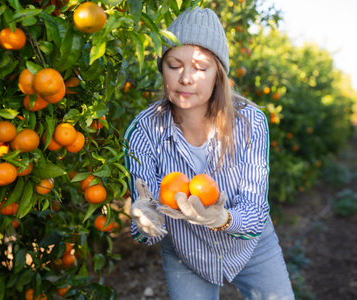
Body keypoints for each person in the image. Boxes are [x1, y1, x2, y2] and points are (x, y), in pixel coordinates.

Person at [123, 6, 295, 300]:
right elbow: (144, 226)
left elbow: (254, 214)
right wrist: (146, 218)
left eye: (201, 68)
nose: (186, 78)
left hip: (250, 245)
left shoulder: (249, 122)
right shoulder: (143, 129)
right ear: (161, 67)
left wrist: (221, 218)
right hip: (185, 252)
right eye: (174, 65)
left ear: (219, 74)